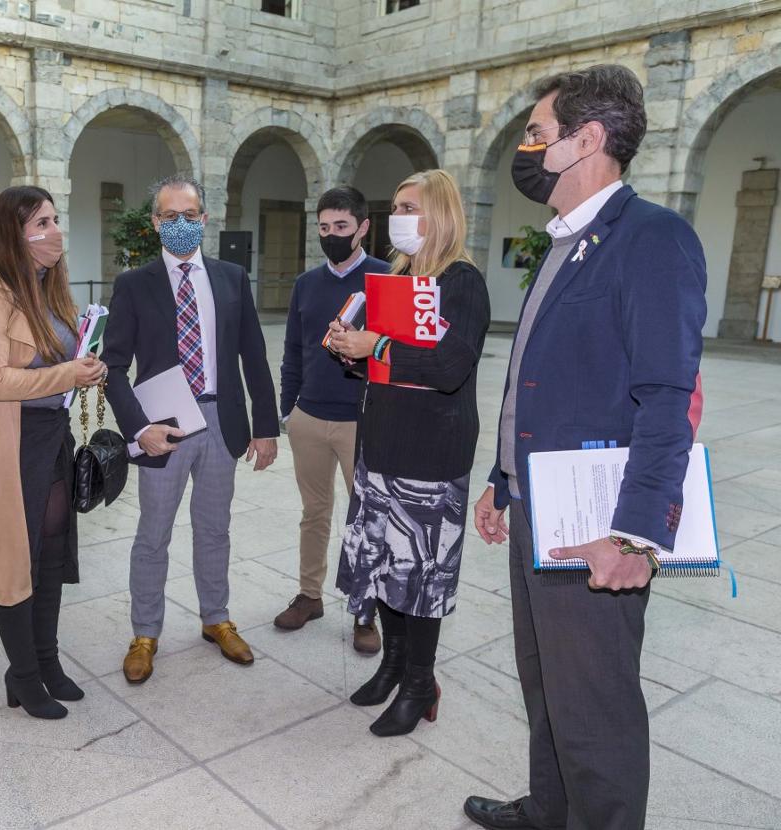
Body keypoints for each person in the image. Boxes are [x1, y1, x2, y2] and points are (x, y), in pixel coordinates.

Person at [464, 65, 706, 830]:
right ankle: (548, 808)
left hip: (600, 522)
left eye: (538, 134)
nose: (528, 148)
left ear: (588, 139)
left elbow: (668, 399)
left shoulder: (652, 239)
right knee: (544, 681)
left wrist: (637, 533)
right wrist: (504, 479)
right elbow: (538, 379)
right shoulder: (566, 242)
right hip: (539, 503)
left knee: (595, 703)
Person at [327, 169, 490, 737]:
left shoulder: (463, 283)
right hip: (383, 445)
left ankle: (420, 682)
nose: (397, 215)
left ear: (439, 214)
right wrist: (352, 350)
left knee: (421, 573)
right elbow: (383, 363)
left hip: (431, 454)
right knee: (386, 568)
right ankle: (393, 666)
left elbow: (449, 369)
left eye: (408, 206)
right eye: (394, 204)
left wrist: (381, 345)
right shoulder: (392, 279)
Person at [101, 173, 280, 685]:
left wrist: (264, 427)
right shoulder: (134, 284)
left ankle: (216, 619)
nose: (181, 224)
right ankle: (144, 633)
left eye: (190, 215)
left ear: (204, 219)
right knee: (153, 535)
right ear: (157, 223)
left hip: (221, 423)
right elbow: (113, 366)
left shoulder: (230, 277)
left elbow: (254, 356)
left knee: (214, 529)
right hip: (165, 428)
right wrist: (139, 430)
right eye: (170, 216)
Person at [0, 185, 105, 719]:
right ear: (13, 235)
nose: (54, 232)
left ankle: (47, 661)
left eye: (55, 220)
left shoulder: (52, 287)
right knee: (16, 562)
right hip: (9, 440)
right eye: (41, 223)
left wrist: (89, 363)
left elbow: (61, 358)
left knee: (51, 554)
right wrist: (68, 372)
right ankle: (22, 673)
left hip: (51, 435)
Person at [274, 185, 389, 655]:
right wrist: (288, 410)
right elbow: (292, 353)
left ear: (362, 228)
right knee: (313, 513)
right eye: (323, 228)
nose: (331, 235)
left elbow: (398, 353)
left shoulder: (386, 278)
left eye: (341, 227)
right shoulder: (306, 284)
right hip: (309, 417)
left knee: (366, 518)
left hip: (362, 421)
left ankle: (365, 610)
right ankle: (309, 595)